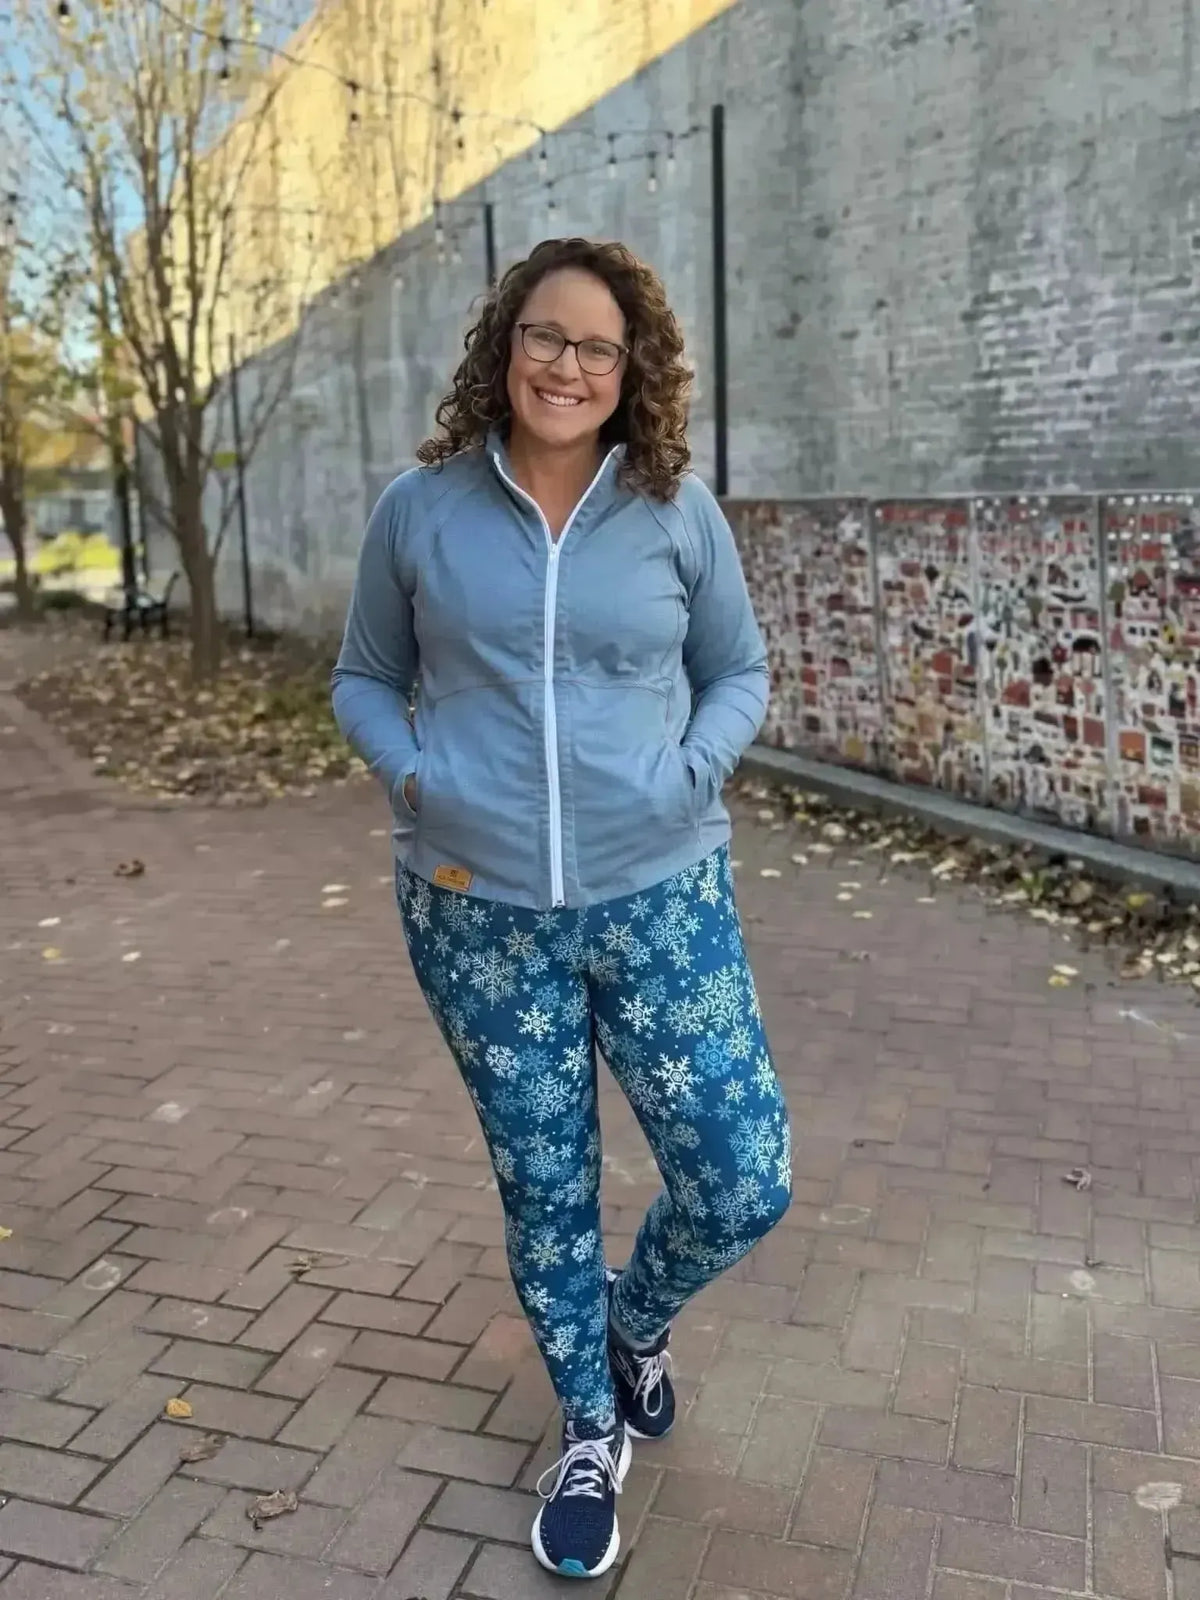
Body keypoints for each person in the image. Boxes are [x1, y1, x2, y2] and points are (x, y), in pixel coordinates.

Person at [332, 237, 791, 1581]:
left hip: (661, 898)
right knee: (546, 1185)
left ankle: (631, 1320)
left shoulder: (672, 508)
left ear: (629, 366)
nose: (569, 365)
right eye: (547, 336)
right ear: (504, 344)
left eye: (598, 346)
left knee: (740, 1173)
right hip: (475, 912)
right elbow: (365, 675)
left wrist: (689, 772)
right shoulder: (421, 509)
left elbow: (739, 671)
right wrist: (418, 779)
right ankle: (590, 1427)